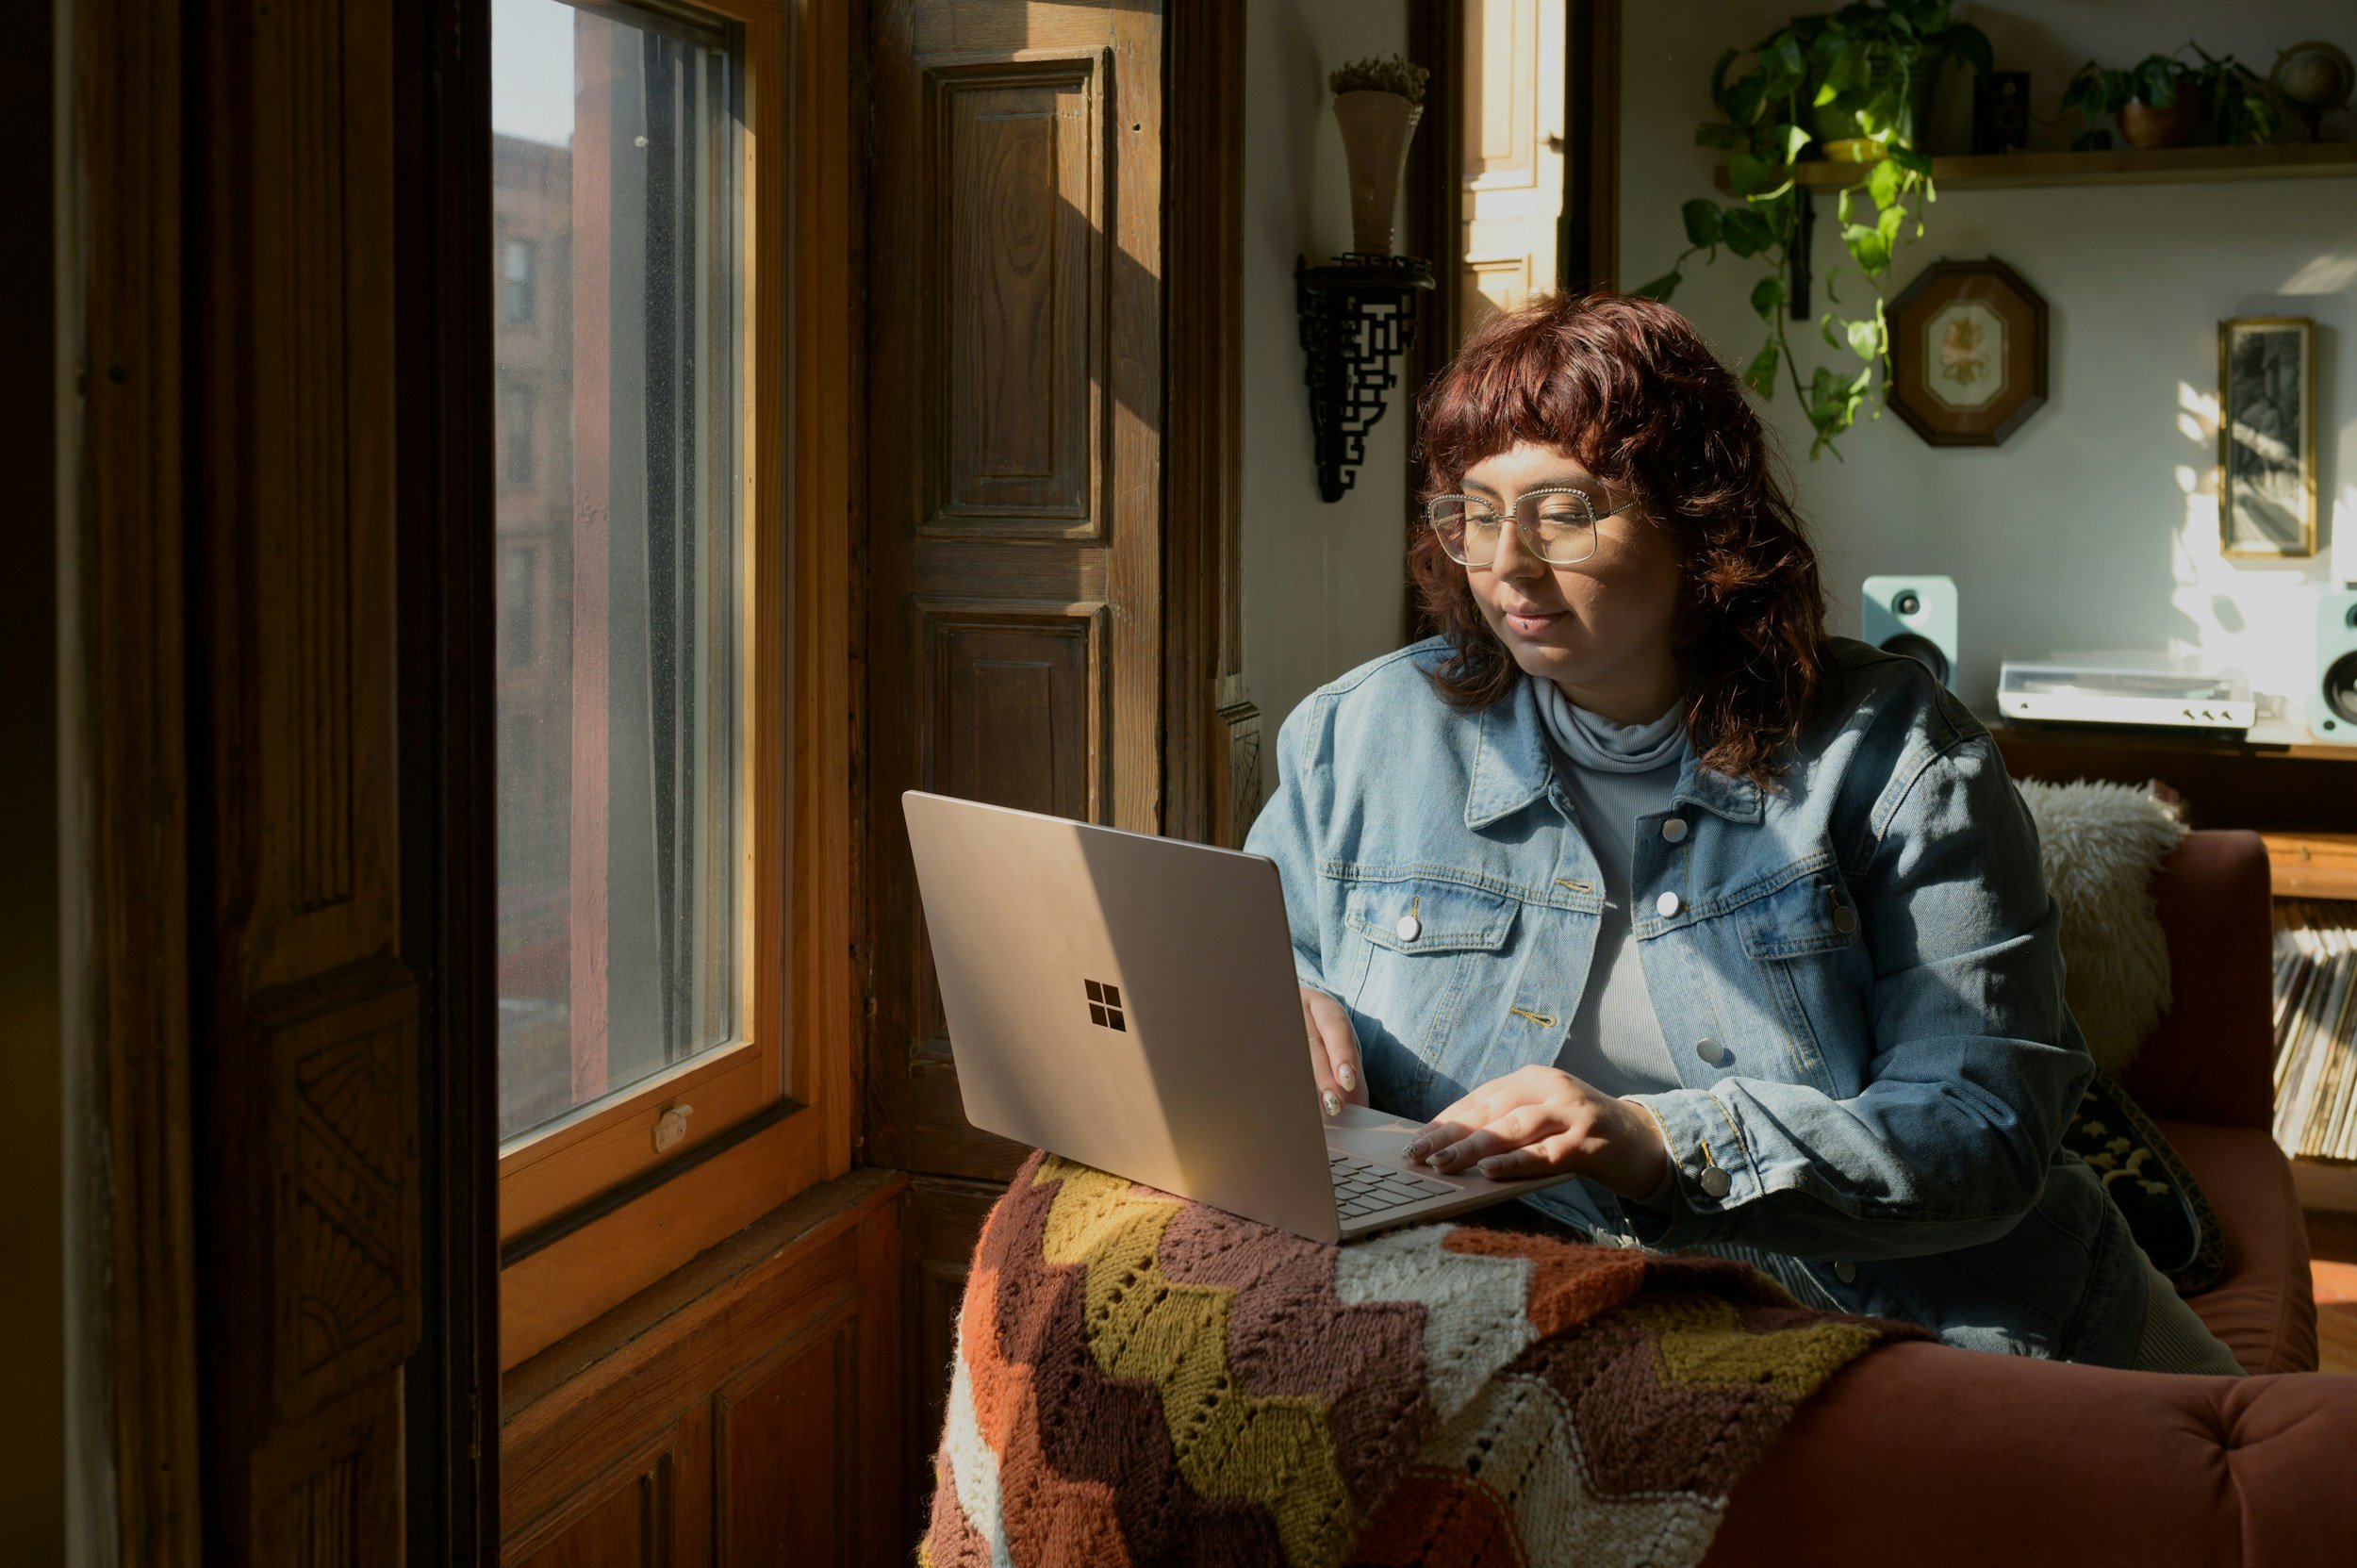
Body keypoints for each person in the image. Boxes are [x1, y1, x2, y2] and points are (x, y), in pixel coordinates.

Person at [1241, 290, 2241, 1374]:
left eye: (1562, 512)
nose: (1507, 565)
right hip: (1512, 1303)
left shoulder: (1896, 754)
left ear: (1697, 519)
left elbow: (1981, 1126)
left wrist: (1660, 1143)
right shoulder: (1360, 733)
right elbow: (1264, 951)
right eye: (1474, 513)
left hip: (1903, 1316)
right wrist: (1279, 1004)